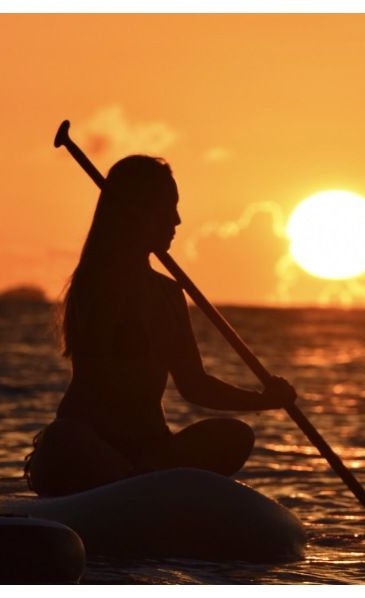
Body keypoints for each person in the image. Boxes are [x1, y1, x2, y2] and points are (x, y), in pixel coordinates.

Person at [24, 155, 297, 497]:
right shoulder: (96, 284)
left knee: (236, 435)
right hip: (90, 446)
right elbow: (110, 371)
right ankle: (134, 484)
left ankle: (140, 480)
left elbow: (194, 385)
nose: (177, 220)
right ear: (136, 212)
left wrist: (263, 400)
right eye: (167, 207)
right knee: (65, 438)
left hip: (150, 452)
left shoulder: (168, 293)